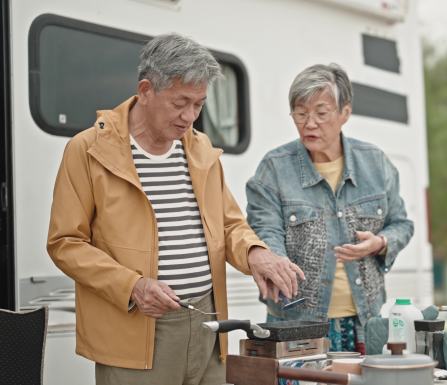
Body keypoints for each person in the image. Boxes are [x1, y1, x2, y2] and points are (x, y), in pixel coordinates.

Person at [46, 33, 304, 385]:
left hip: (207, 328)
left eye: (199, 104)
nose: (190, 116)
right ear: (146, 90)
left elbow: (230, 226)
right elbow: (65, 243)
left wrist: (256, 253)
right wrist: (132, 286)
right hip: (134, 334)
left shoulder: (200, 150)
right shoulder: (87, 150)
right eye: (180, 102)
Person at [246, 63, 414, 353]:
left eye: (321, 113)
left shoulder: (375, 162)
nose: (309, 123)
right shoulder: (273, 168)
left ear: (344, 114)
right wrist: (276, 263)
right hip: (297, 322)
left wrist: (380, 243)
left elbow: (402, 224)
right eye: (300, 114)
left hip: (365, 321)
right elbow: (265, 230)